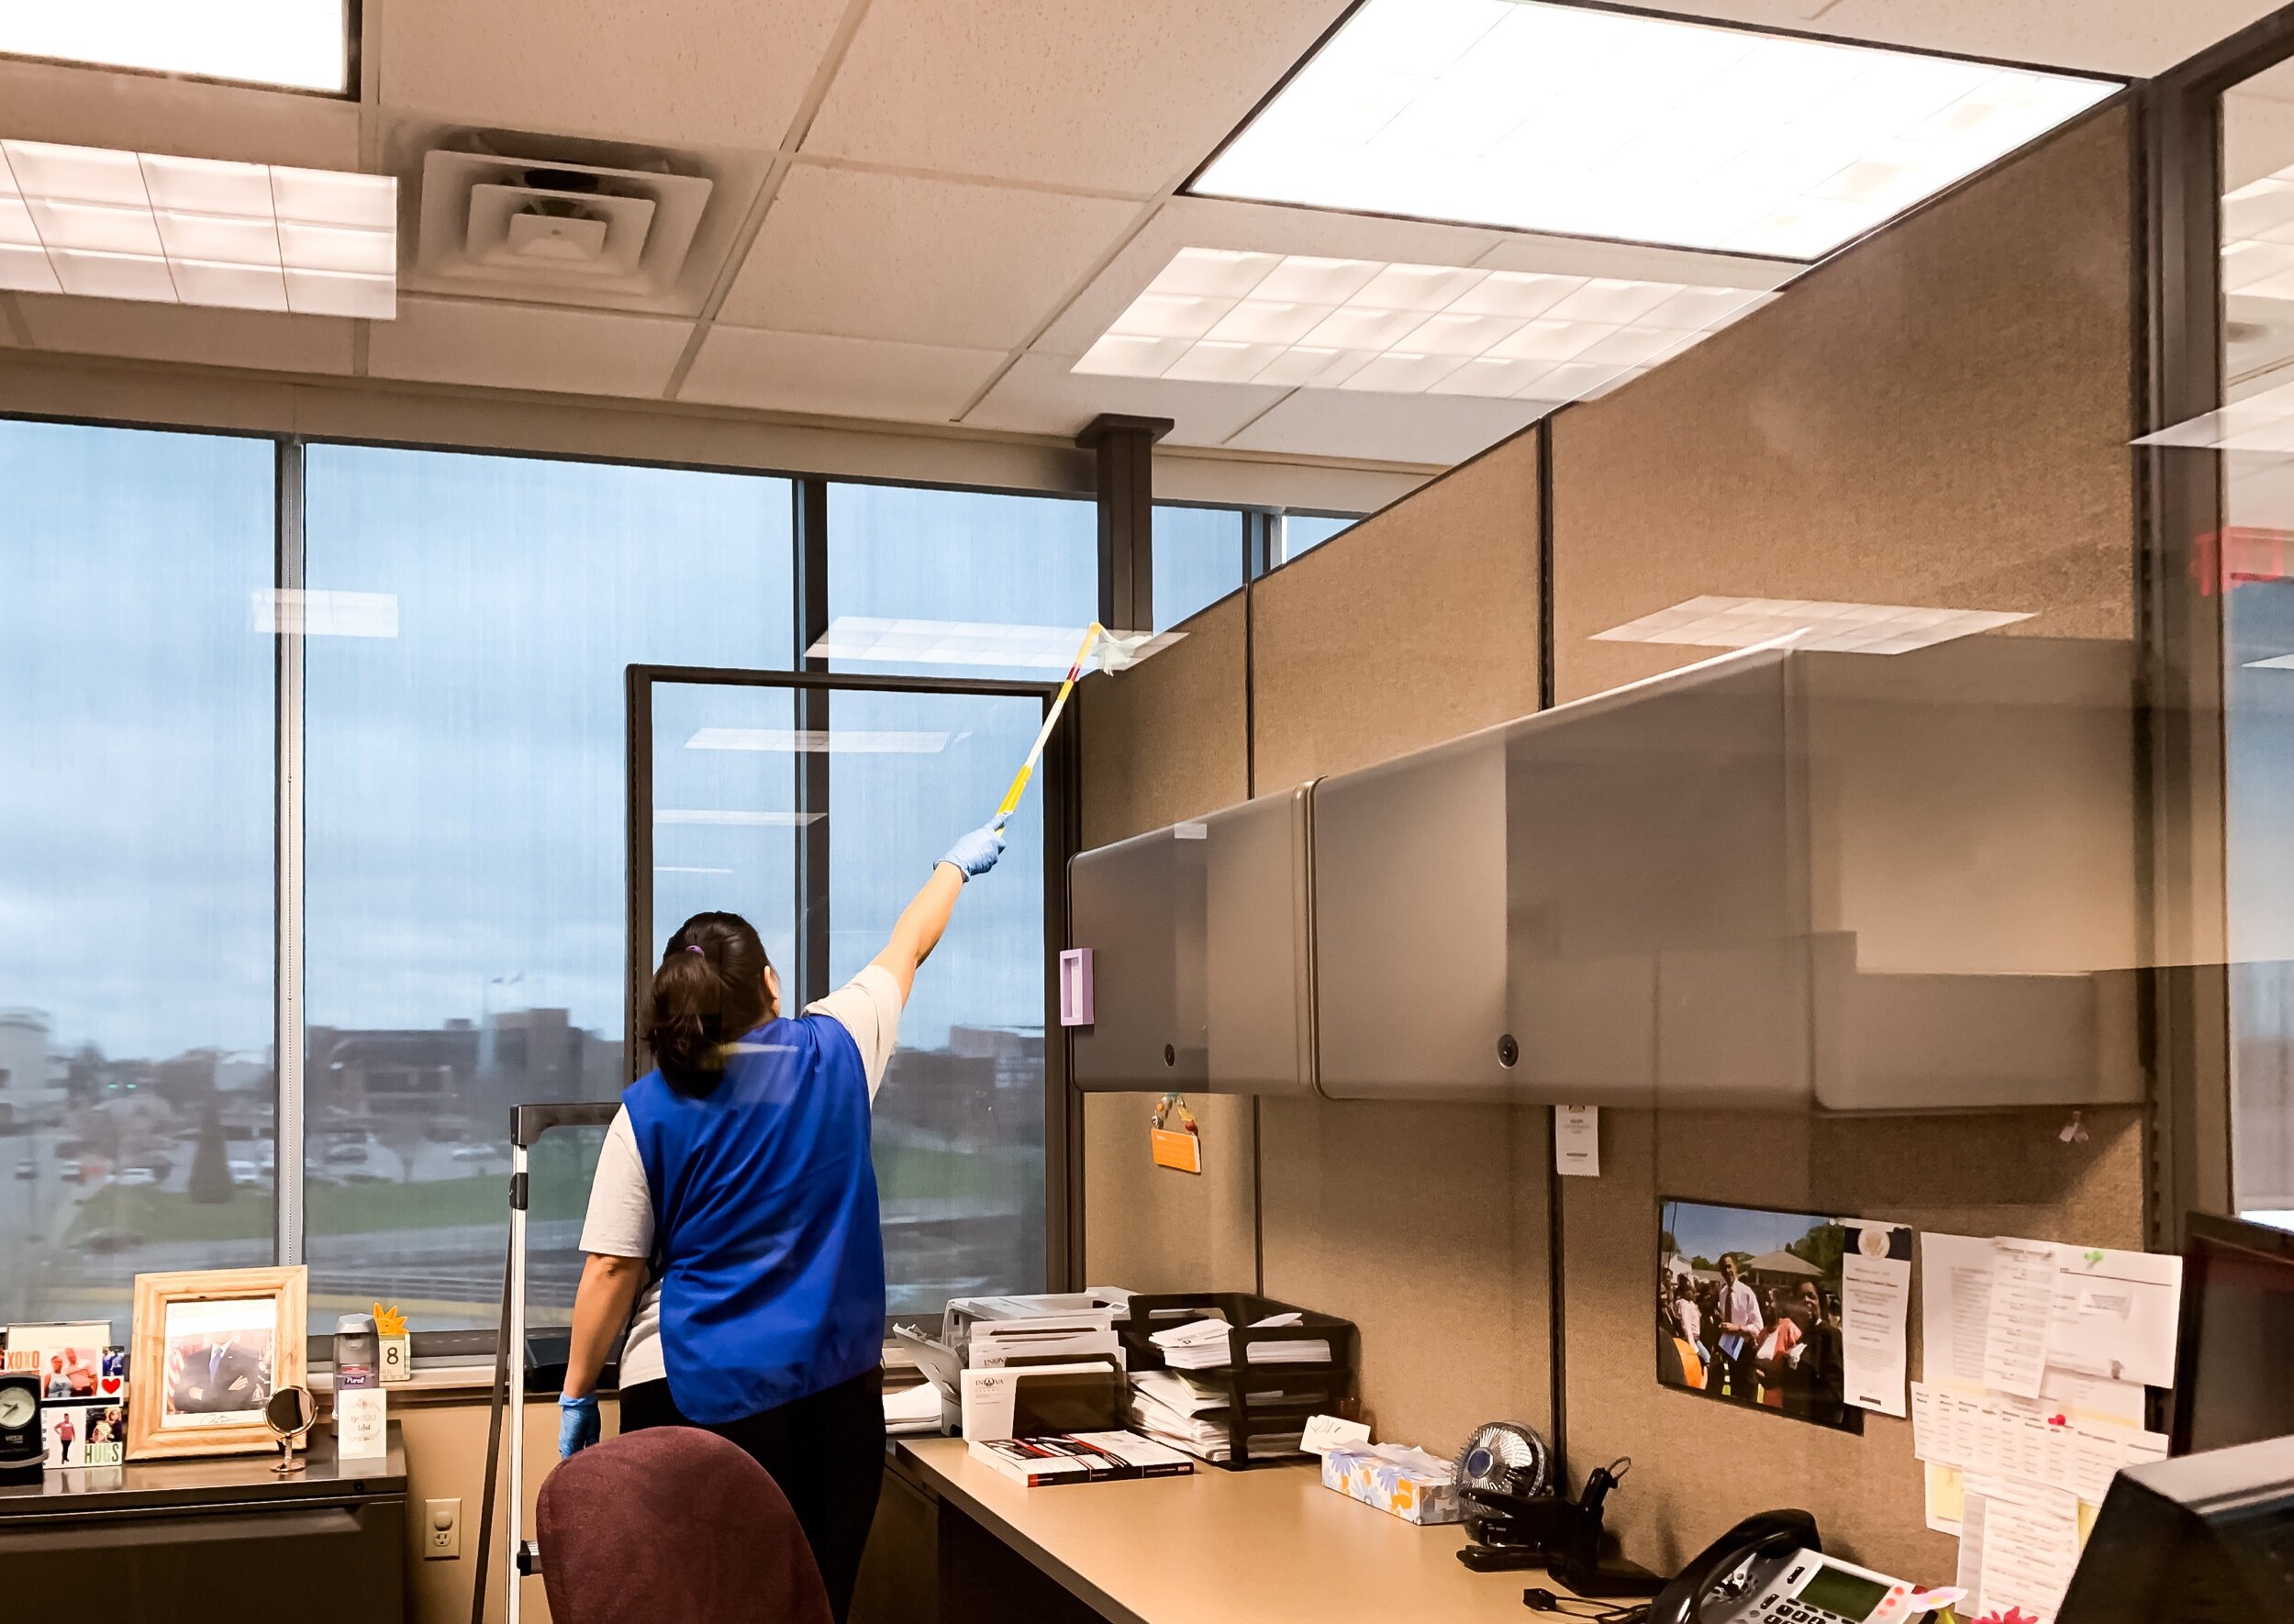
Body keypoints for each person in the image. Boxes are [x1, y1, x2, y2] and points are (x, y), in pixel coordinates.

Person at [556, 821, 1007, 1623]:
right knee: (814, 1602)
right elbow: (910, 944)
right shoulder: (837, 1048)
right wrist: (953, 866)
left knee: (694, 1606)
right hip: (828, 1395)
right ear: (770, 982)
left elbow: (613, 1270)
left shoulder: (647, 1110)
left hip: (688, 1394)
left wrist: (577, 1394)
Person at [1712, 1255, 1764, 1405]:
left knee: (1748, 1394)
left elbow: (1758, 1326)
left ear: (1736, 1268)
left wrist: (1737, 1328)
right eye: (1723, 1267)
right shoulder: (1722, 1294)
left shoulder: (1747, 1293)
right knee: (1735, 1394)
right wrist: (1723, 1326)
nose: (1726, 1270)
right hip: (1731, 1349)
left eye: (1729, 1266)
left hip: (1746, 1350)